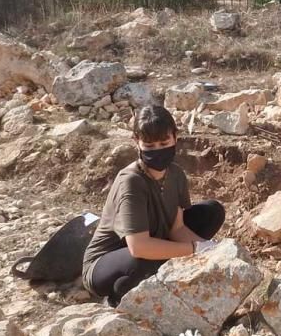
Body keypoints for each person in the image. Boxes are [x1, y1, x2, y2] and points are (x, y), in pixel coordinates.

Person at [82, 105, 225, 306]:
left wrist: (211, 250)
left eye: (163, 142)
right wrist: (193, 250)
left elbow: (177, 229)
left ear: (175, 138)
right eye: (149, 146)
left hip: (153, 241)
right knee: (142, 260)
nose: (157, 151)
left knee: (211, 212)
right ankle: (119, 298)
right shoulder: (131, 181)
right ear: (137, 143)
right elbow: (138, 246)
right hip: (109, 261)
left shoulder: (175, 174)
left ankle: (162, 269)